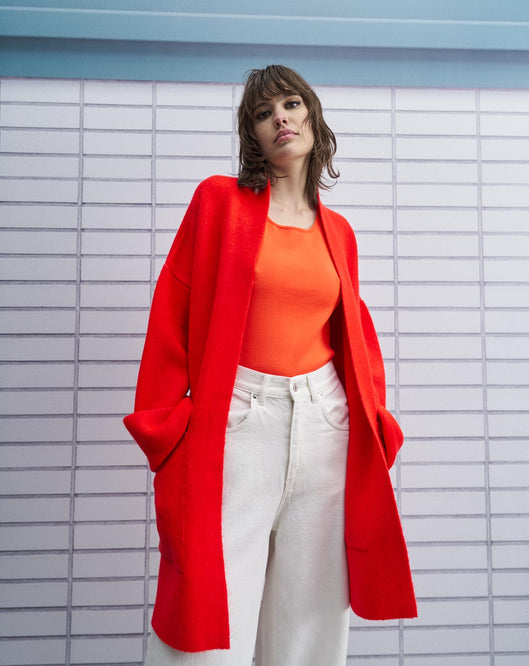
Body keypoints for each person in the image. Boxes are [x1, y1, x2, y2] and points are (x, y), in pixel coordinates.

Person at [124, 64, 417, 666]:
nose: (280, 118)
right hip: (240, 421)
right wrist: (166, 425)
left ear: (312, 116)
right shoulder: (219, 202)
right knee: (210, 622)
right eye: (263, 113)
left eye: (290, 104)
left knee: (309, 626)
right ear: (252, 135)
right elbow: (172, 310)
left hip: (325, 423)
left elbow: (355, 336)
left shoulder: (339, 232)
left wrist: (370, 417)